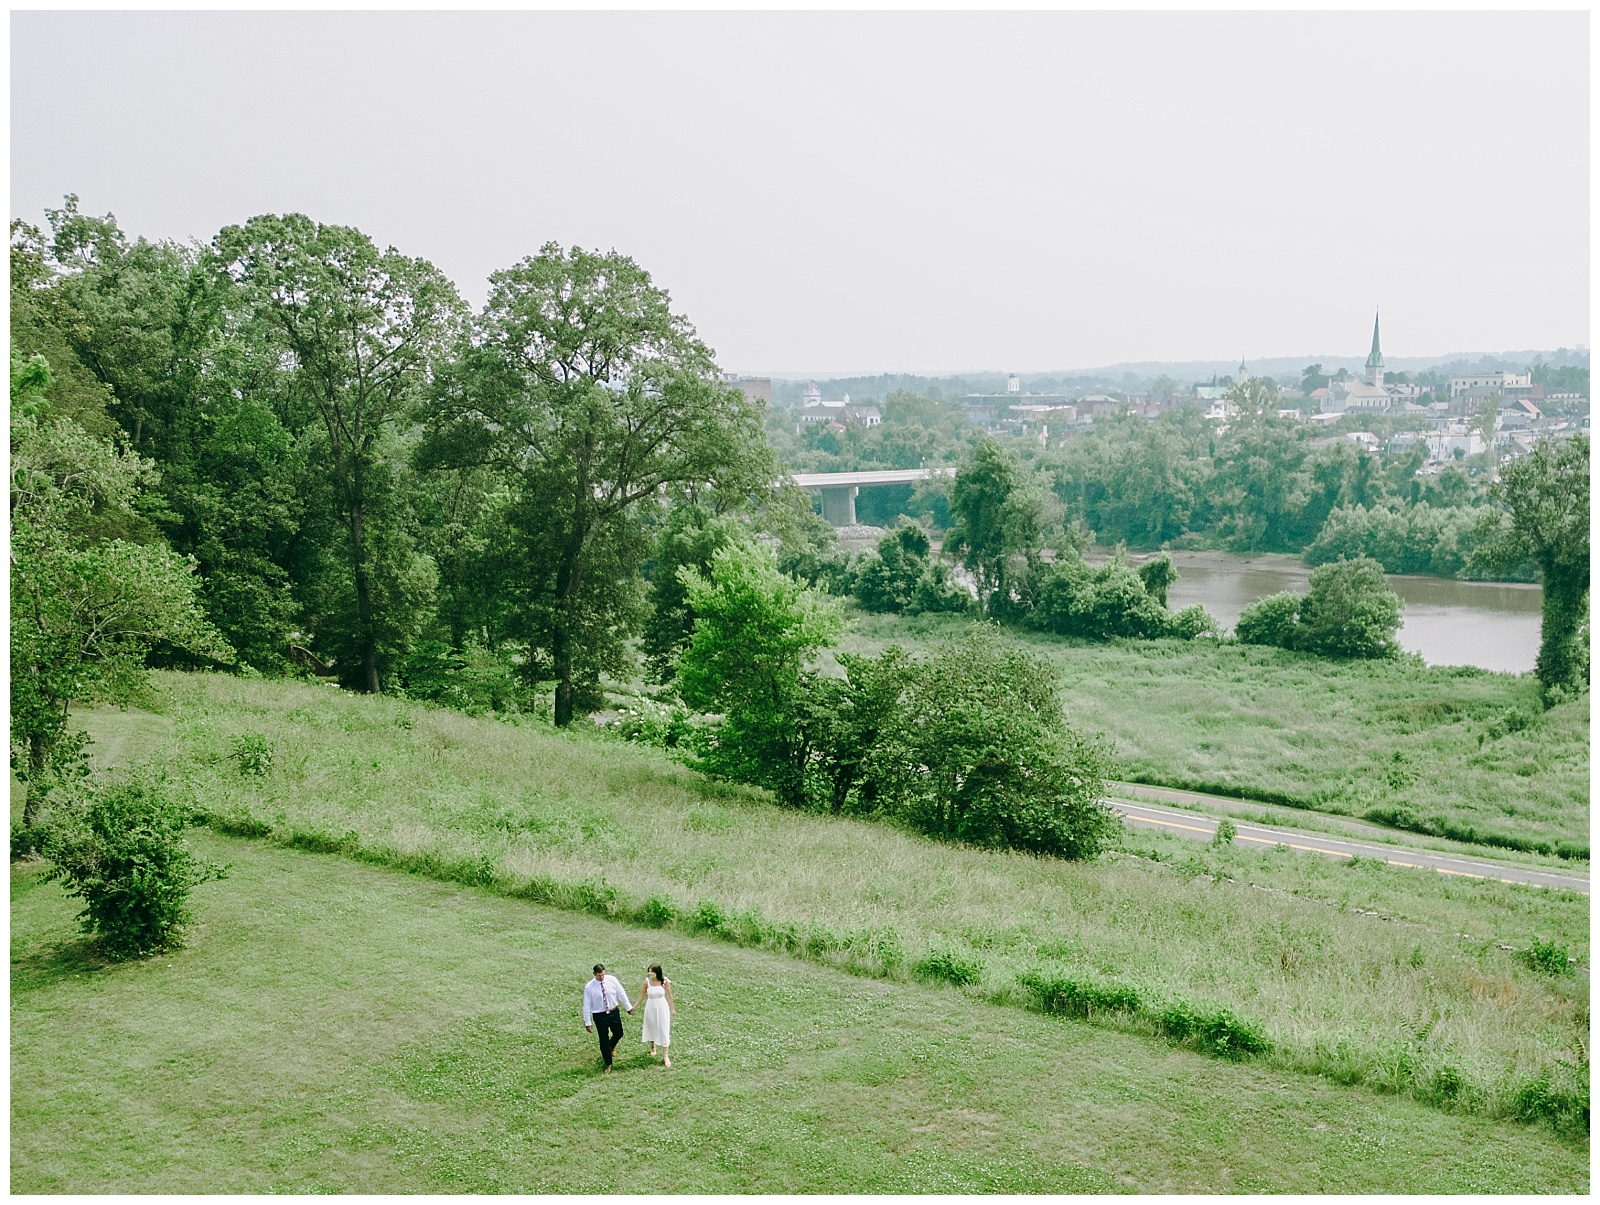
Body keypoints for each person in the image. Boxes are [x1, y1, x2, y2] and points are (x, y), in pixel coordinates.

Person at [581, 964, 633, 1072]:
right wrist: (587, 1022)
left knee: (619, 1033)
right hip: (600, 1015)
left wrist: (629, 1008)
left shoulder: (612, 980)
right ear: (595, 975)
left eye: (603, 974)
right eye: (599, 975)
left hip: (613, 1011)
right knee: (603, 1038)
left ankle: (610, 1047)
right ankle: (608, 1063)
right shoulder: (589, 987)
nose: (601, 977)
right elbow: (586, 1005)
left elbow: (621, 993)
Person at [637, 964, 675, 1068]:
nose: (650, 973)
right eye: (649, 971)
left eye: (652, 971)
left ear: (657, 972)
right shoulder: (647, 982)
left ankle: (665, 1055)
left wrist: (672, 1009)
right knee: (651, 1026)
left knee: (663, 1028)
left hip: (662, 1007)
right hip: (651, 1006)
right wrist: (634, 1006)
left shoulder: (664, 981)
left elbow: (669, 995)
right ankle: (653, 1047)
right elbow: (642, 995)